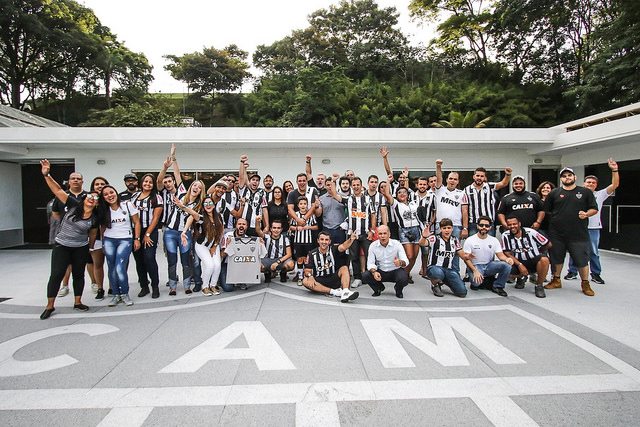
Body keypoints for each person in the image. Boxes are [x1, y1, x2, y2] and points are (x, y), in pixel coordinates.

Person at [39, 160, 98, 320]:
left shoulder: (94, 217)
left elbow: (92, 233)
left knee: (79, 274)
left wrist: (90, 248)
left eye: (94, 199)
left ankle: (78, 302)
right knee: (57, 274)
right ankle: (50, 305)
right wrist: (46, 175)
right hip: (62, 245)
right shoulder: (73, 205)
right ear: (84, 200)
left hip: (81, 247)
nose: (91, 200)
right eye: (89, 198)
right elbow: (57, 190)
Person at [543, 167, 598, 296]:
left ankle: (585, 283)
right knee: (556, 258)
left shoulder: (585, 192)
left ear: (574, 177)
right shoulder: (554, 193)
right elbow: (547, 210)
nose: (567, 177)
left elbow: (594, 209)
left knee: (581, 259)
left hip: (578, 233)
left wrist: (586, 214)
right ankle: (556, 280)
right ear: (561, 179)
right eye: (564, 176)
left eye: (569, 175)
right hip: (557, 233)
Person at [565, 158, 620, 284]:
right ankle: (572, 272)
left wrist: (614, 170)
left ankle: (596, 274)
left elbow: (615, 185)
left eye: (593, 183)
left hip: (593, 228)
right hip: (577, 228)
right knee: (574, 250)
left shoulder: (600, 194)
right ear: (584, 183)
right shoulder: (576, 193)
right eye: (588, 182)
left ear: (596, 185)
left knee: (594, 252)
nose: (590, 184)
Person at [327, 176, 376, 288]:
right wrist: (334, 181)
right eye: (353, 185)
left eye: (357, 184)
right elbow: (334, 194)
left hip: (365, 233)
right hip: (352, 234)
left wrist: (372, 231)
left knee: (370, 256)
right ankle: (358, 278)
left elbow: (373, 215)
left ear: (361, 185)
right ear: (351, 186)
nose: (356, 187)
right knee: (354, 257)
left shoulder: (368, 199)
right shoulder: (348, 199)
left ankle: (371, 277)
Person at [98, 185, 141, 307]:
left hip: (125, 240)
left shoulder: (127, 205)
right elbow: (102, 227)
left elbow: (136, 222)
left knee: (119, 267)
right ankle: (116, 294)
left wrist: (136, 239)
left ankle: (124, 293)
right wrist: (102, 242)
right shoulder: (103, 209)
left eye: (111, 192)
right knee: (111, 268)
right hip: (109, 240)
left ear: (116, 193)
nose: (109, 196)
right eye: (105, 194)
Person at [51, 170, 87, 298]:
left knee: (79, 271)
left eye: (78, 178)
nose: (76, 180)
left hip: (81, 241)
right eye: (73, 178)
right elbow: (55, 214)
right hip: (64, 240)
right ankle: (64, 286)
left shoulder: (87, 197)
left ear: (82, 181)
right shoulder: (62, 196)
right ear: (69, 181)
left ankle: (78, 300)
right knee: (61, 268)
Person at [462, 216, 514, 297]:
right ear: (477, 226)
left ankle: (498, 286)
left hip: (489, 265)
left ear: (490, 227)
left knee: (507, 266)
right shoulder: (470, 240)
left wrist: (507, 259)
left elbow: (500, 255)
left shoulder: (494, 240)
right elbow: (466, 259)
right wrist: (475, 271)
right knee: (476, 283)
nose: (484, 227)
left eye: (487, 226)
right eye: (481, 225)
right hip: (475, 266)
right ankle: (480, 281)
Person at [183, 195, 224, 296]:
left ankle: (213, 285)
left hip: (214, 244)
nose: (208, 205)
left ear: (214, 205)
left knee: (217, 265)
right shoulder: (201, 217)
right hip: (202, 246)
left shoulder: (219, 216)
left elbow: (221, 232)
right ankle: (205, 286)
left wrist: (215, 245)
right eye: (206, 203)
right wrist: (181, 206)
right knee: (210, 265)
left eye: (210, 203)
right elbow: (192, 213)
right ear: (203, 206)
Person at [130, 173, 163, 299]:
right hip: (136, 231)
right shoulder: (134, 196)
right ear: (141, 183)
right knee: (139, 260)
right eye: (145, 181)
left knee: (149, 258)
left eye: (150, 182)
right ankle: (144, 286)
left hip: (150, 230)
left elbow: (156, 218)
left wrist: (148, 234)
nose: (147, 184)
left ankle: (155, 286)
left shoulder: (156, 198)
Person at [501, 215, 551, 298]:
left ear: (519, 224)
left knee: (544, 260)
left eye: (515, 224)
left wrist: (539, 251)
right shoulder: (505, 235)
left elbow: (548, 244)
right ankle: (521, 277)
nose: (512, 226)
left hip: (533, 260)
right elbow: (507, 253)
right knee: (504, 267)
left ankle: (539, 285)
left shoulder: (531, 232)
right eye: (510, 225)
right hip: (517, 262)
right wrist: (519, 265)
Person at [302, 231, 359, 303]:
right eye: (322, 239)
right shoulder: (312, 254)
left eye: (326, 240)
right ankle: (336, 292)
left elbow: (344, 246)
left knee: (344, 268)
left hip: (333, 278)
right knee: (305, 281)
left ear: (329, 241)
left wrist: (351, 239)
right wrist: (310, 276)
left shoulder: (333, 249)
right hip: (319, 281)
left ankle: (345, 292)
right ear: (318, 241)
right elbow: (307, 270)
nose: (324, 242)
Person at [381, 182, 421, 283]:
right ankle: (403, 275)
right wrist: (388, 181)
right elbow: (386, 193)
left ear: (408, 195)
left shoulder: (414, 203)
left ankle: (406, 274)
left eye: (404, 192)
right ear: (396, 195)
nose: (402, 194)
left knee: (415, 257)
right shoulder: (396, 204)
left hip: (416, 229)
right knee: (409, 255)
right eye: (399, 192)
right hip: (404, 230)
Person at [434, 159, 469, 272]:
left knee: (455, 252)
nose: (452, 181)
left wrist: (465, 228)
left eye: (455, 179)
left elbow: (465, 211)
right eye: (450, 178)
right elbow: (438, 178)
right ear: (446, 180)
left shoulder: (462, 193)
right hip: (440, 226)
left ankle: (455, 274)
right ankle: (438, 277)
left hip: (456, 226)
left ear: (458, 181)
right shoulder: (440, 190)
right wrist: (438, 166)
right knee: (438, 250)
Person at [419, 218, 467, 298]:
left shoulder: (454, 240)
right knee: (437, 273)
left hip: (449, 270)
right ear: (440, 229)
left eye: (449, 228)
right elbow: (422, 243)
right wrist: (424, 236)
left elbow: (462, 255)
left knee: (462, 292)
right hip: (434, 267)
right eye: (444, 228)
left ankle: (445, 280)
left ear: (452, 228)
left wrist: (469, 256)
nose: (446, 230)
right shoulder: (434, 238)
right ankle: (435, 284)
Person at [362, 225, 409, 298]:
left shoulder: (397, 244)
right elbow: (370, 263)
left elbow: (406, 261)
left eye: (385, 233)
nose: (382, 236)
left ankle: (398, 290)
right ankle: (378, 288)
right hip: (381, 271)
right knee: (365, 275)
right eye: (380, 234)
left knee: (404, 278)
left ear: (389, 234)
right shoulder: (373, 245)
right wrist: (374, 272)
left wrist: (400, 262)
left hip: (395, 271)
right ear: (377, 235)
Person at [464, 167, 512, 236]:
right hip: (473, 224)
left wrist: (508, 174)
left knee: (489, 245)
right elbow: (464, 209)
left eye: (482, 176)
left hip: (488, 223)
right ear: (473, 177)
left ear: (484, 177)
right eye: (477, 175)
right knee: (474, 245)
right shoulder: (466, 190)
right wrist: (465, 227)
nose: (479, 178)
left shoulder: (490, 186)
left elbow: (503, 184)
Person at [88, 176, 109, 300]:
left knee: (112, 264)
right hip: (96, 238)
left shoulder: (110, 199)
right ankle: (100, 288)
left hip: (111, 237)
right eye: (97, 184)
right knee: (98, 264)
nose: (100, 186)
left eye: (102, 184)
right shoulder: (89, 200)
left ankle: (113, 287)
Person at [289, 196, 318, 285]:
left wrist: (308, 227)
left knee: (307, 259)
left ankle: (307, 275)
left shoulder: (311, 216)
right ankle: (300, 276)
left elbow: (316, 226)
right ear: (298, 205)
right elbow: (291, 226)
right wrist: (297, 228)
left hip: (308, 241)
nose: (303, 205)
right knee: (299, 259)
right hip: (298, 241)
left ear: (307, 205)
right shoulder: (296, 215)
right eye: (301, 204)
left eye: (305, 204)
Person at [238, 154, 269, 237]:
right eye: (253, 180)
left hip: (256, 226)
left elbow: (264, 209)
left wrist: (267, 225)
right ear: (250, 181)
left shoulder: (262, 192)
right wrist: (242, 164)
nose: (255, 182)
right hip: (244, 225)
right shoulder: (244, 190)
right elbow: (241, 178)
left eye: (257, 180)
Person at [317, 178, 347, 244]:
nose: (330, 186)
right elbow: (318, 214)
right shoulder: (321, 198)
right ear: (325, 186)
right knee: (328, 250)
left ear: (335, 186)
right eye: (328, 185)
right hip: (326, 229)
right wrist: (316, 207)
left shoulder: (343, 197)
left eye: (332, 185)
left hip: (340, 228)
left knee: (340, 251)